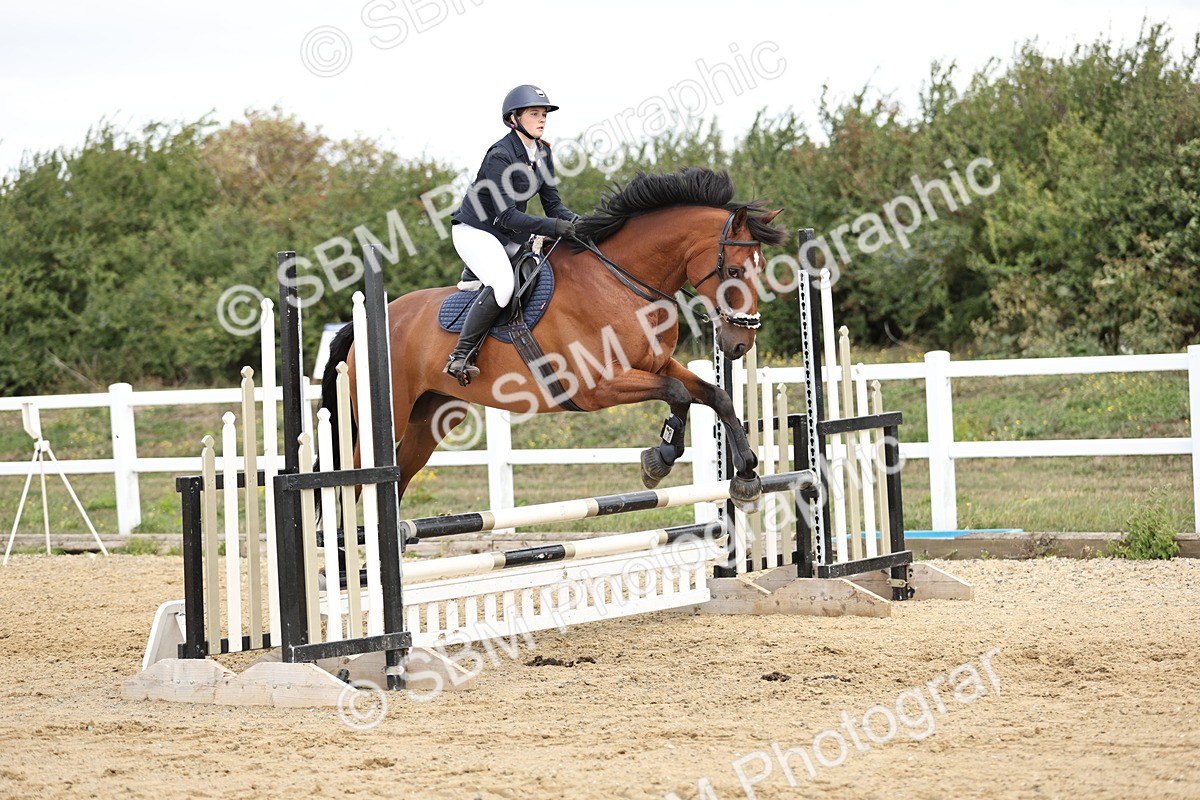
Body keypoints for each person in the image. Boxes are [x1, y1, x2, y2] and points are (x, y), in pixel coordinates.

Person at [445, 84, 581, 385]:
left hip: (508, 237)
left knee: (548, 270)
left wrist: (582, 224)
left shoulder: (543, 152)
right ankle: (459, 356)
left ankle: (477, 278)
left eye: (544, 114)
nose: (542, 119)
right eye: (534, 114)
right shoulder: (500, 155)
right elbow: (506, 215)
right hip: (476, 231)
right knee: (504, 287)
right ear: (513, 119)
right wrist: (553, 227)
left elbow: (554, 205)